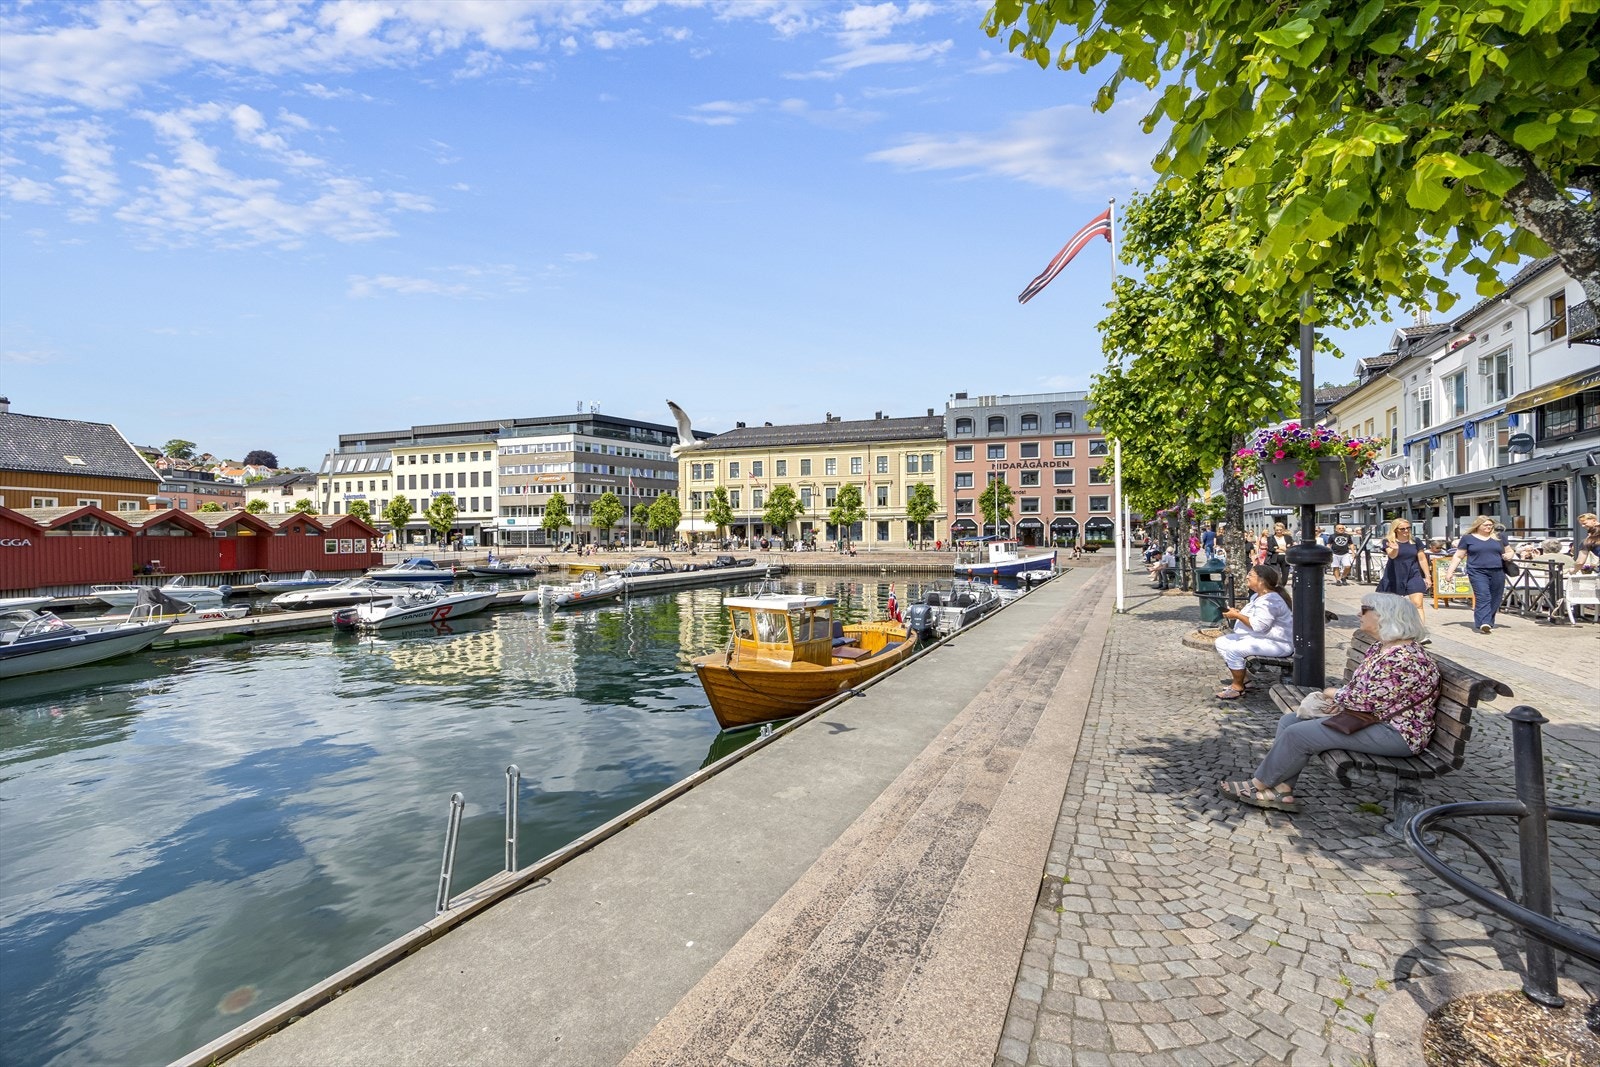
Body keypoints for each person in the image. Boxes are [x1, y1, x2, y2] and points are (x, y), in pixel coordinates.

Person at [1220, 592, 1439, 812]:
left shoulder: (1404, 658)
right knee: (1290, 721)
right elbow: (1365, 692)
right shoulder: (1382, 648)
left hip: (1397, 733)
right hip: (1373, 719)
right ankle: (1283, 789)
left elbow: (1365, 700)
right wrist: (1342, 700)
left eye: (1364, 610)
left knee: (1299, 735)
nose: (1357, 614)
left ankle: (1258, 784)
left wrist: (1332, 692)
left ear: (1385, 616)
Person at [1214, 564, 1293, 699]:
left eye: (1250, 575)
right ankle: (1245, 680)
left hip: (1278, 643)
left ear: (1261, 580)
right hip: (1263, 639)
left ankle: (1237, 687)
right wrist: (1238, 614)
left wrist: (1237, 616)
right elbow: (1256, 619)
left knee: (1234, 650)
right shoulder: (1257, 596)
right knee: (1221, 642)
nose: (1247, 577)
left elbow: (1259, 626)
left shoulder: (1270, 600)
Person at [1442, 514, 1515, 634]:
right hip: (1477, 571)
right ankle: (1484, 622)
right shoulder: (1468, 538)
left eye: (1491, 525)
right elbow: (1459, 555)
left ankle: (1487, 622)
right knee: (1483, 596)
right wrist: (1450, 572)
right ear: (1478, 525)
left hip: (1497, 570)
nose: (1489, 527)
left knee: (1496, 598)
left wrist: (1509, 555)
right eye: (1486, 525)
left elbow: (1510, 550)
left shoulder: (1499, 537)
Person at [1376, 517, 1431, 615]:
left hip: (1413, 574)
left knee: (1418, 604)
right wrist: (1396, 549)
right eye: (1402, 529)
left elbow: (1422, 559)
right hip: (1394, 574)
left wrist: (1427, 576)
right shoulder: (1388, 541)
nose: (1406, 530)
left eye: (1408, 528)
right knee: (1391, 606)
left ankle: (1420, 629)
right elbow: (1392, 556)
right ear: (1395, 530)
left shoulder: (1415, 541)